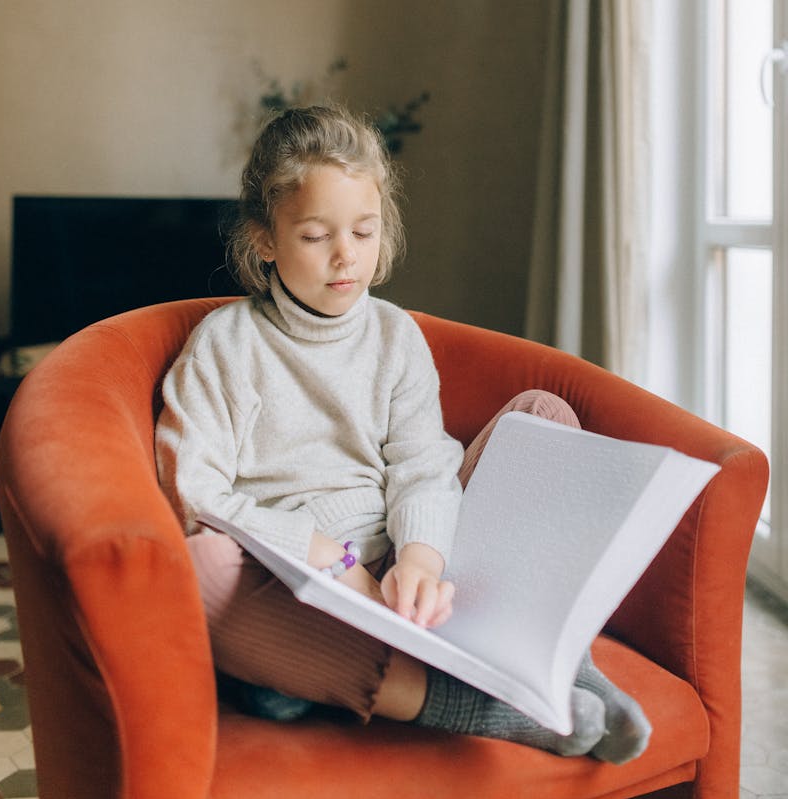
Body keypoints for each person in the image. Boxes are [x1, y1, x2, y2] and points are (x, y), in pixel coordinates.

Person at [155, 103, 650, 763]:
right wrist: (327, 557)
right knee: (200, 568)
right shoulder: (226, 346)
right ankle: (484, 708)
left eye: (362, 232)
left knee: (544, 415)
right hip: (302, 581)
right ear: (264, 239)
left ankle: (565, 667)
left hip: (404, 560)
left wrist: (420, 558)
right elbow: (193, 490)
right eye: (314, 236)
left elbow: (421, 464)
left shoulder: (394, 336)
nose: (344, 257)